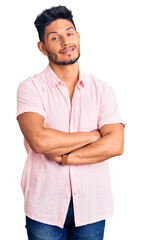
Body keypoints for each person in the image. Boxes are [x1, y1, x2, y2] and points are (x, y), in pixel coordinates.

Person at [16, 5, 125, 240]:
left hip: (92, 207)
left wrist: (65, 157)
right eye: (55, 37)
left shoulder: (102, 90)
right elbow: (39, 140)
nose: (66, 42)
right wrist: (94, 136)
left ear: (78, 37)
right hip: (44, 206)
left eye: (70, 33)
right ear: (42, 48)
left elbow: (116, 145)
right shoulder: (31, 88)